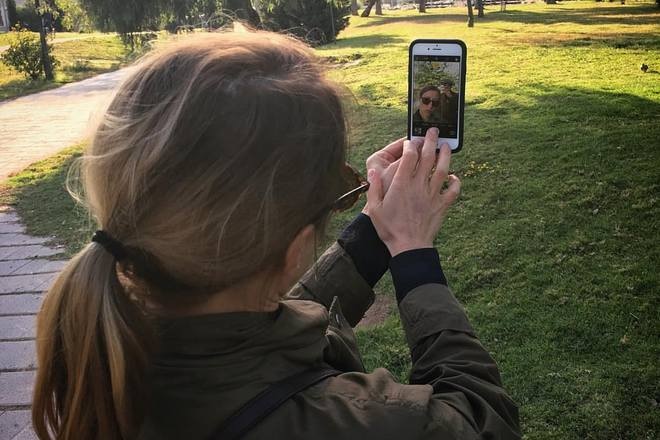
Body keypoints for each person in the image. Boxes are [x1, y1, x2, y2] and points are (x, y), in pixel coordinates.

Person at [32, 32, 520, 440]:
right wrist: (414, 256)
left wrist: (373, 232)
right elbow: (482, 420)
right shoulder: (358, 423)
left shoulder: (101, 352)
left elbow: (257, 327)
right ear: (293, 250)